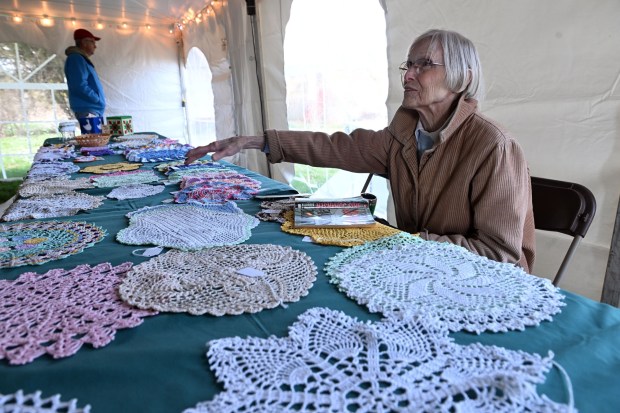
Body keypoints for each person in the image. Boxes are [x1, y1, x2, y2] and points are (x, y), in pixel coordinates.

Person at [185, 29, 536, 272]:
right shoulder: (401, 136)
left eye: (424, 64)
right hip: (421, 268)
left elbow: (499, 256)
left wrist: (403, 242)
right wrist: (253, 141)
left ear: (463, 75)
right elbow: (334, 147)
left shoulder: (493, 145)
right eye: (408, 65)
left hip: (482, 287)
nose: (408, 75)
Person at [64, 28, 106, 118]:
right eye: (92, 42)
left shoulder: (81, 59)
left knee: (96, 132)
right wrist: (96, 99)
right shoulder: (76, 58)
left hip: (91, 109)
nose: (95, 46)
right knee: (92, 132)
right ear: (84, 42)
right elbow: (79, 85)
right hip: (88, 109)